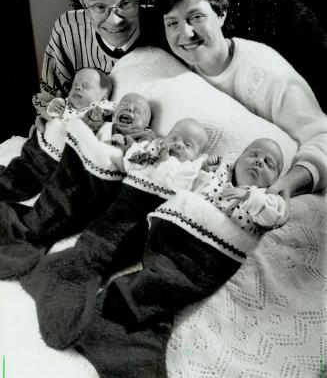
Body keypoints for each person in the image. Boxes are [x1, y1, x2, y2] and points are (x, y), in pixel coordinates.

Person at [66, 138, 288, 378]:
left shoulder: (266, 201)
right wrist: (201, 164)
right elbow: (179, 183)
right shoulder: (214, 175)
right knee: (160, 276)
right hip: (175, 234)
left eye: (269, 163)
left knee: (168, 294)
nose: (259, 162)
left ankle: (110, 327)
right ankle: (110, 314)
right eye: (254, 154)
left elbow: (275, 215)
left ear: (274, 182)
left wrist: (250, 196)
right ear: (238, 159)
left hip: (212, 258)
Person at [20, 118, 209, 350]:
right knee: (98, 242)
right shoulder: (148, 150)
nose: (178, 145)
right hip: (123, 206)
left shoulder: (188, 171)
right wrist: (145, 153)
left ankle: (64, 275)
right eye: (174, 138)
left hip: (147, 226)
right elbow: (127, 162)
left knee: (119, 254)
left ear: (198, 156)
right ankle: (68, 273)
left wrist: (193, 167)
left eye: (188, 144)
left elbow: (191, 192)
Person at [156, 0, 327, 203]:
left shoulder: (268, 73)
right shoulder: (174, 64)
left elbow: (323, 135)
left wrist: (287, 185)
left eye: (196, 17)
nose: (185, 33)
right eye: (173, 23)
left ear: (221, 13)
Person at [0, 92, 154, 279]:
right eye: (124, 105)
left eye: (137, 110)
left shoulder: (145, 139)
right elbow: (75, 139)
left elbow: (142, 168)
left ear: (146, 125)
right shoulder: (104, 125)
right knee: (54, 196)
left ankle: (29, 231)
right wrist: (91, 122)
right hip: (76, 170)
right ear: (113, 113)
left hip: (101, 185)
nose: (129, 109)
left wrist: (130, 152)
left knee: (60, 213)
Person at [33, 0, 163, 130]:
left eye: (126, 2)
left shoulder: (166, 27)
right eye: (99, 7)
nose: (115, 20)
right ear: (82, 0)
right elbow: (48, 99)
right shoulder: (67, 31)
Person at [0, 67, 114, 202]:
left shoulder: (96, 112)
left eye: (86, 86)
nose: (78, 88)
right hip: (38, 147)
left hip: (57, 159)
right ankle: (7, 180)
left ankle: (10, 188)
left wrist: (99, 110)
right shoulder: (63, 103)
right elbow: (49, 112)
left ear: (102, 98)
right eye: (75, 85)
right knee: (22, 165)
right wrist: (53, 109)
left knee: (30, 179)